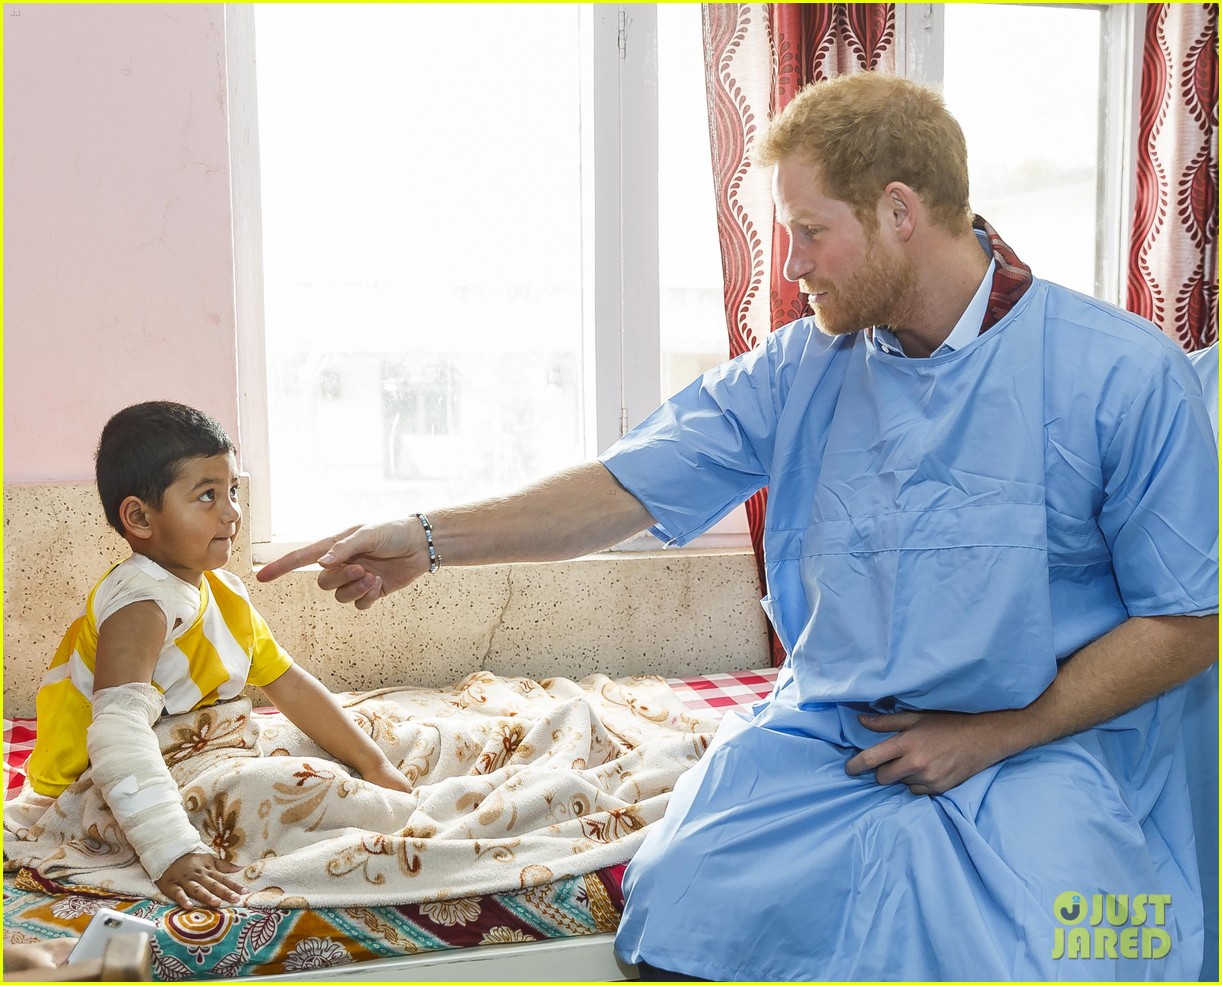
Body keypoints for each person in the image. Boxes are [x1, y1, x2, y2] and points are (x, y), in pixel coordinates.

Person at [258, 73, 1218, 981]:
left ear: (899, 211)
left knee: (1072, 946)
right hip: (838, 733)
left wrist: (1001, 733)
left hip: (1052, 743)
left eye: (809, 231)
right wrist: (427, 539)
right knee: (680, 902)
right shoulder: (802, 366)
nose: (791, 266)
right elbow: (623, 486)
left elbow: (1192, 619)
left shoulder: (1123, 375)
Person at [21, 401, 412, 911]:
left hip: (202, 747)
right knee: (269, 787)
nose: (231, 512)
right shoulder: (138, 605)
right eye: (207, 495)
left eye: (231, 491)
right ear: (139, 516)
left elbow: (289, 684)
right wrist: (171, 851)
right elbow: (118, 736)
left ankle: (370, 785)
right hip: (113, 781)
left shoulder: (223, 591)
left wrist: (375, 763)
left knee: (374, 726)